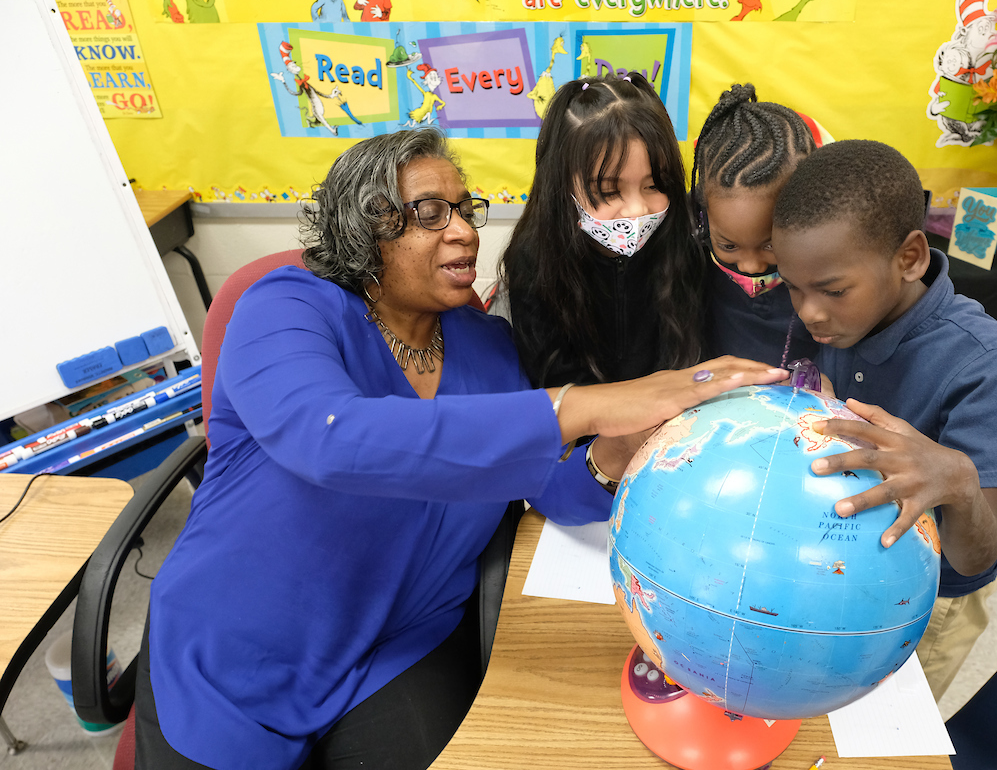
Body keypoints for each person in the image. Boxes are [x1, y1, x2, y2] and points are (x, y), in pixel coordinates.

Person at [135, 128, 789, 770]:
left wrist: (617, 450)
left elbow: (545, 484)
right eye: (428, 213)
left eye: (465, 209)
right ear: (360, 229)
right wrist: (587, 403)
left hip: (396, 648)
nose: (465, 231)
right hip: (241, 647)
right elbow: (331, 438)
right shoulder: (285, 309)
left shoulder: (487, 347)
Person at [770, 139, 997, 701]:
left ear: (909, 257)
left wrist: (958, 481)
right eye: (793, 287)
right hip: (844, 570)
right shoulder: (836, 319)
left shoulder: (989, 364)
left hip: (935, 595)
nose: (808, 312)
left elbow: (977, 559)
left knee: (885, 723)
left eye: (833, 291)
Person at [499, 74, 707, 388]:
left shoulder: (684, 246)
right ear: (561, 186)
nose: (637, 209)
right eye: (609, 191)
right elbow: (555, 386)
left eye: (654, 185)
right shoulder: (535, 262)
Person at [691, 83, 821, 367]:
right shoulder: (688, 265)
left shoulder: (831, 278)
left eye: (770, 244)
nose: (751, 267)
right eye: (728, 245)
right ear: (702, 219)